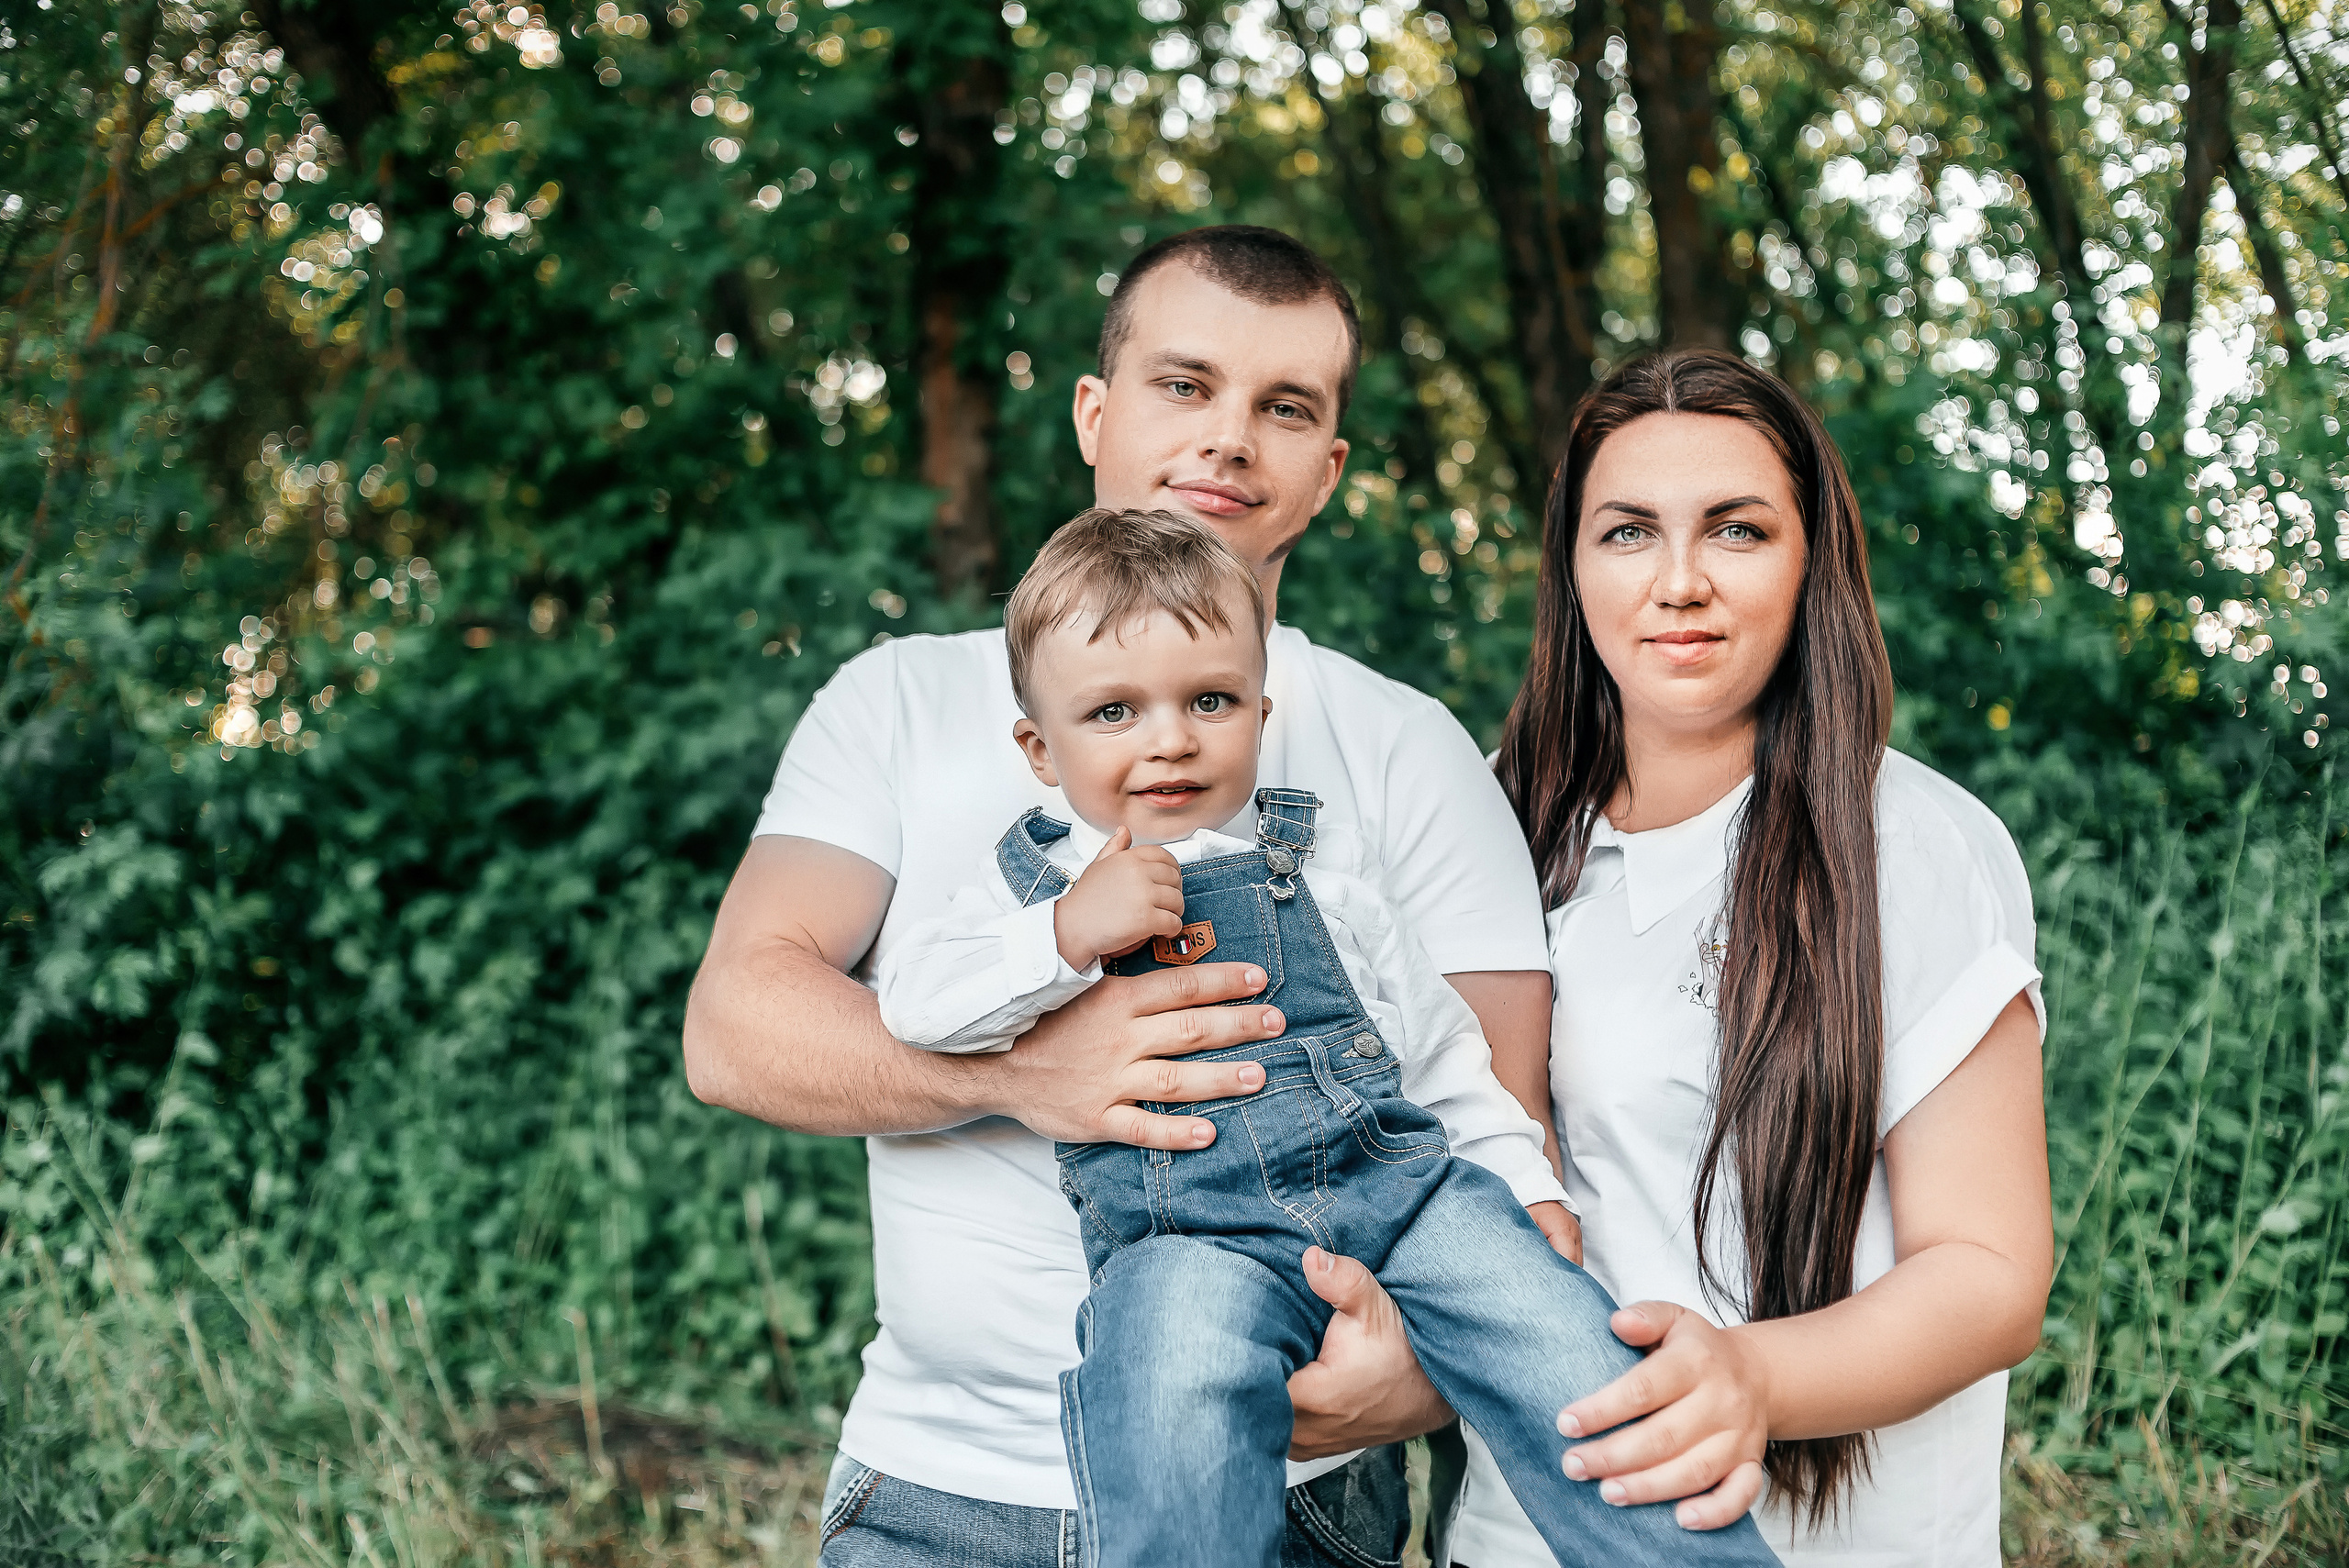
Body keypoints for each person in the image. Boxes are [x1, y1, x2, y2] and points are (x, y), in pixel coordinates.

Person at [684, 227, 1557, 1566]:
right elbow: (736, 1027)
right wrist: (1030, 1072)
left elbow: (1496, 1122)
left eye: (1284, 408)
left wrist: (1420, 1372)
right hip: (936, 1495)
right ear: (1096, 413)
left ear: (1327, 470)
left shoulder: (1409, 746)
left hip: (1299, 1500)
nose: (1228, 440)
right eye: (1184, 385)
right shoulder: (900, 699)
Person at [871, 508, 1781, 1566]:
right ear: (1039, 748)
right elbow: (918, 1005)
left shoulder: (1322, 872)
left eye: (1209, 700)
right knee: (1169, 1395)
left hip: (1394, 1184)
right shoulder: (1031, 887)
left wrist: (1526, 1189)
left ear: (1259, 713)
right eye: (1113, 710)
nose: (1169, 738)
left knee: (1562, 1343)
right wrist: (1065, 933)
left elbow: (1439, 1056)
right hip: (1187, 1234)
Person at [1380, 349, 2047, 1562]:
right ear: (1572, 567)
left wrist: (1752, 1376)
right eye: (1627, 532)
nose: (1678, 580)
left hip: (1825, 1539)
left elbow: (1991, 1274)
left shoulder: (1911, 842)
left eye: (1736, 530)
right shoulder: (1482, 824)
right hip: (1528, 1527)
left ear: (1809, 561)